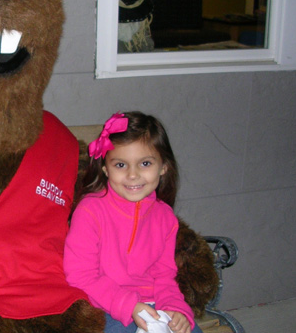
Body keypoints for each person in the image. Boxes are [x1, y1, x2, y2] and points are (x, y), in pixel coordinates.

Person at [64, 112, 202, 333]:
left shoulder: (165, 217)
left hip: (153, 304)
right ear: (105, 168)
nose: (133, 175)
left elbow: (164, 275)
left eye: (145, 163)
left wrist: (175, 308)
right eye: (121, 165)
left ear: (164, 166)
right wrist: (129, 306)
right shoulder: (90, 211)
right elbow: (81, 275)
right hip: (103, 306)